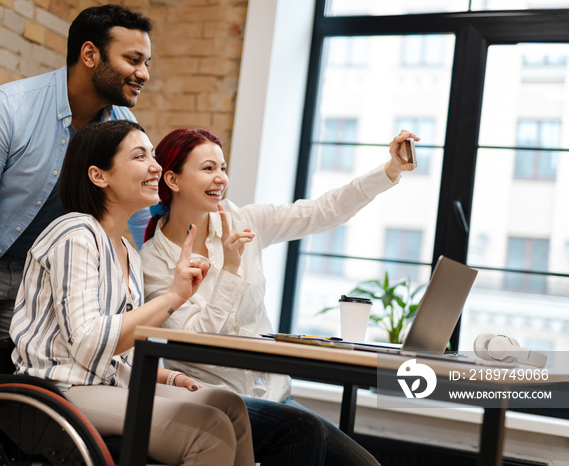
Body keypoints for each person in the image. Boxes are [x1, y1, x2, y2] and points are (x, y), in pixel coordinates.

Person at [0, 4, 153, 459]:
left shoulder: (121, 128)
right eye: (132, 59)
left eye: (146, 62)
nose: (142, 73)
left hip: (32, 276)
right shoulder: (7, 109)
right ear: (89, 54)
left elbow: (134, 217)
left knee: (21, 400)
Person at [140, 127, 419, 465]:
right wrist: (229, 268)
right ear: (172, 179)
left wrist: (388, 170)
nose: (220, 178)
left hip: (273, 393)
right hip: (214, 398)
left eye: (223, 167)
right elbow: (200, 343)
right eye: (208, 168)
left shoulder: (243, 220)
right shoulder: (153, 261)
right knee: (302, 433)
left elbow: (320, 212)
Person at [9, 120, 254, 465]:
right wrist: (174, 296)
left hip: (106, 384)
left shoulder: (126, 249)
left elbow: (120, 355)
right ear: (99, 175)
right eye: (140, 156)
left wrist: (170, 376)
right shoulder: (75, 234)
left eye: (153, 155)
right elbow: (88, 343)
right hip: (61, 391)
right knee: (208, 428)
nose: (155, 166)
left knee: (228, 404)